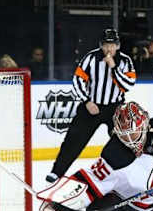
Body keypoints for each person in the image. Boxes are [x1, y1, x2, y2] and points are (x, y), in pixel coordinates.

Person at [45, 28, 136, 184]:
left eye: (112, 45)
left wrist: (113, 67)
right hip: (91, 106)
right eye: (106, 45)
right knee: (73, 140)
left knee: (123, 140)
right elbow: (78, 80)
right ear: (101, 45)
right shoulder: (91, 58)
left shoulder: (125, 61)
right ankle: (57, 171)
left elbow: (127, 85)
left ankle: (127, 172)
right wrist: (86, 101)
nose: (109, 49)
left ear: (118, 45)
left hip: (115, 107)